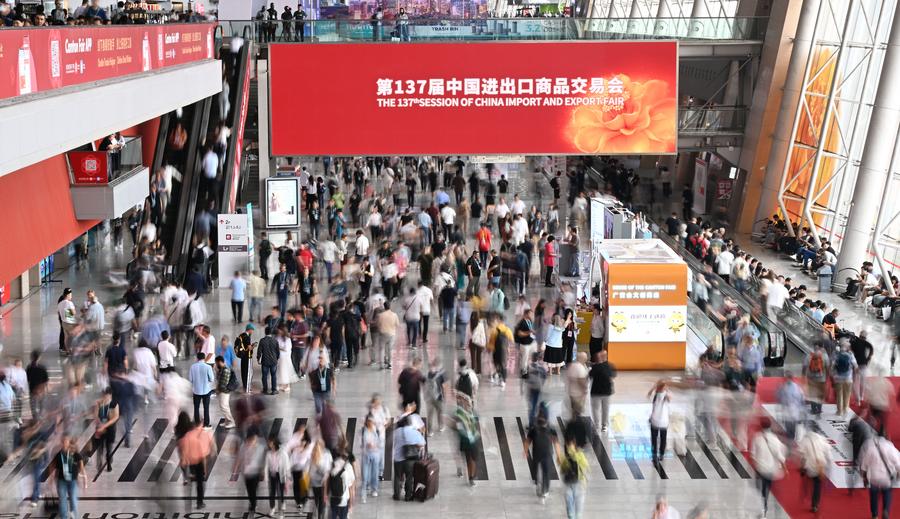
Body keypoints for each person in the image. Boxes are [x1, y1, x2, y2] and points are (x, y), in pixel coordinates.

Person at [750, 417, 786, 518]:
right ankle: (765, 505)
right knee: (767, 488)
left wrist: (756, 464)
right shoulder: (775, 439)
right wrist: (784, 468)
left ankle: (762, 507)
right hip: (771, 470)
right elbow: (780, 456)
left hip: (760, 468)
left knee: (759, 489)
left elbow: (752, 455)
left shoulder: (757, 437)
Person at [859, 430, 900, 519]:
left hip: (874, 477)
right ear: (886, 437)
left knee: (873, 495)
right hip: (886, 477)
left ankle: (874, 515)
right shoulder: (890, 447)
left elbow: (864, 465)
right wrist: (898, 474)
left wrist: (864, 478)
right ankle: (885, 510)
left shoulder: (871, 448)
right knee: (887, 493)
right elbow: (898, 463)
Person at [179, 420, 214, 509]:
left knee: (192, 483)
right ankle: (199, 502)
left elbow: (184, 450)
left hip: (190, 462)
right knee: (200, 484)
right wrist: (205, 469)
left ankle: (189, 504)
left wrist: (183, 460)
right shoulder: (199, 436)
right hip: (198, 462)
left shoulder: (187, 436)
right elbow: (202, 455)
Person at [392, 413, 426, 501]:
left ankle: (397, 495)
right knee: (409, 477)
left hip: (398, 458)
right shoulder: (414, 432)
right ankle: (408, 496)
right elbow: (422, 443)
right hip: (410, 459)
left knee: (397, 477)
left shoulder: (396, 432)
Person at [524, 413, 556, 503]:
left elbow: (527, 441)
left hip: (539, 454)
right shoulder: (548, 429)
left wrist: (525, 451)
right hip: (546, 454)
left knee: (542, 471)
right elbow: (556, 442)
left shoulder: (534, 429)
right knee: (545, 472)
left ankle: (543, 489)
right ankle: (543, 489)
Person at [797, 429, 830, 512]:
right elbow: (828, 454)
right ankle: (815, 505)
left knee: (808, 481)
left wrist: (802, 467)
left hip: (809, 467)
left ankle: (805, 494)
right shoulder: (822, 439)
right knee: (817, 486)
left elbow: (802, 456)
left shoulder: (804, 440)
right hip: (820, 466)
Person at [54, 434, 87, 519]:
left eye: (66, 441)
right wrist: (53, 480)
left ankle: (74, 516)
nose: (64, 443)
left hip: (73, 480)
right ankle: (64, 517)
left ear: (69, 442)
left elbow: (82, 468)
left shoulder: (75, 454)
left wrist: (84, 481)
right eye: (63, 441)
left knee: (73, 498)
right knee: (62, 499)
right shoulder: (58, 455)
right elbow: (56, 469)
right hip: (61, 480)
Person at [557, 437, 589, 519]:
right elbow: (586, 466)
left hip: (570, 482)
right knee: (577, 506)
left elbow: (562, 469)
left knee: (570, 503)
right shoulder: (580, 454)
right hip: (579, 482)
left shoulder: (566, 457)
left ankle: (572, 516)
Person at [235, 430, 266, 513]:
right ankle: (252, 501)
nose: (254, 441)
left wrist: (262, 471)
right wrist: (236, 470)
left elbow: (262, 460)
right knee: (249, 489)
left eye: (255, 439)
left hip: (256, 472)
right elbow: (239, 458)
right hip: (246, 472)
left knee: (254, 489)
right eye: (252, 439)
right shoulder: (243, 447)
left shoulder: (260, 448)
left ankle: (253, 504)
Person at [92, 388, 120, 473]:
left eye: (107, 395)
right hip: (100, 428)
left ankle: (109, 463)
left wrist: (105, 425)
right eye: (104, 395)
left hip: (110, 429)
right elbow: (95, 415)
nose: (105, 397)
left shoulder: (114, 404)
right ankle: (99, 464)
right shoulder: (99, 403)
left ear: (110, 395)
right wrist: (99, 423)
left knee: (109, 447)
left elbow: (115, 417)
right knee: (99, 447)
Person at [589, 350, 616, 433]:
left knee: (596, 409)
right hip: (607, 392)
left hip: (596, 392)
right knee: (605, 409)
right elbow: (613, 376)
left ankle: (597, 425)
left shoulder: (595, 367)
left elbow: (590, 375)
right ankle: (604, 426)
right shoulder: (610, 365)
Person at [265, 436, 290, 515]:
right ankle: (272, 508)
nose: (269, 444)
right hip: (272, 475)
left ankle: (282, 503)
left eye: (270, 442)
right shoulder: (268, 453)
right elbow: (266, 466)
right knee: (272, 493)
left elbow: (287, 465)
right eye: (269, 442)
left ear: (274, 443)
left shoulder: (282, 453)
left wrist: (287, 477)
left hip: (281, 474)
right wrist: (266, 477)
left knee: (281, 492)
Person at [327, 448, 356, 519]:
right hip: (343, 500)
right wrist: (351, 505)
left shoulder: (333, 465)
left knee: (333, 515)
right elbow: (351, 488)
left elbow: (328, 482)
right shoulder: (348, 467)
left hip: (333, 498)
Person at [648, 380, 671, 466]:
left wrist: (653, 388)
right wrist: (666, 390)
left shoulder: (656, 396)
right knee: (663, 438)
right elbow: (670, 398)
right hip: (663, 422)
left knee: (654, 439)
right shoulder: (665, 395)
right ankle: (661, 454)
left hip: (655, 421)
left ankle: (654, 454)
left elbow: (648, 395)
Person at [832, 340, 858, 417]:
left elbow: (832, 365)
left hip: (838, 378)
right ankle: (845, 409)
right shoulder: (850, 354)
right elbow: (855, 366)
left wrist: (833, 374)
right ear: (847, 347)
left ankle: (839, 411)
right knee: (847, 394)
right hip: (848, 378)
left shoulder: (835, 354)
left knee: (839, 394)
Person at [189, 352, 215, 428]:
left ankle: (197, 423)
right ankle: (206, 424)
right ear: (204, 358)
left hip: (196, 391)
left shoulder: (192, 367)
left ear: (197, 358)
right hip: (206, 391)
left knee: (196, 408)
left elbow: (190, 379)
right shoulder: (208, 367)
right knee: (206, 408)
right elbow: (212, 379)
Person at [309, 440, 333, 519]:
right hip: (322, 484)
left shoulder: (312, 457)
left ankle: (319, 512)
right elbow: (327, 473)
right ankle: (320, 515)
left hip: (315, 484)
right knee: (322, 501)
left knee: (318, 499)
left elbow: (309, 472)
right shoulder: (326, 455)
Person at [360, 414, 382, 502]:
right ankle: (363, 494)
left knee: (374, 473)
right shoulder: (363, 431)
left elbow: (380, 443)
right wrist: (365, 446)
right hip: (366, 455)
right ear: (366, 421)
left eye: (372, 421)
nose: (371, 423)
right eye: (369, 421)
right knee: (365, 475)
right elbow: (360, 443)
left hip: (375, 455)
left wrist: (374, 445)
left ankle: (374, 489)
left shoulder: (376, 430)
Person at [802, 342, 829, 415]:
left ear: (814, 347)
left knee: (812, 394)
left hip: (811, 379)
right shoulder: (824, 356)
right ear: (821, 347)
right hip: (822, 379)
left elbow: (804, 366)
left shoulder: (809, 356)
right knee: (820, 394)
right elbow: (827, 367)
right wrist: (827, 377)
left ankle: (814, 410)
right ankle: (819, 409)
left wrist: (803, 375)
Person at [214, 356, 237, 428]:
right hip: (222, 391)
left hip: (225, 391)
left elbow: (224, 383)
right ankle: (227, 421)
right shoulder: (221, 369)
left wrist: (218, 390)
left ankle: (231, 421)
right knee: (223, 406)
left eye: (217, 363)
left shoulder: (226, 370)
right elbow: (219, 379)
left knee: (224, 407)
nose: (216, 364)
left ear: (220, 362)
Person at [425, 357, 446, 434]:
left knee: (430, 414)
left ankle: (430, 431)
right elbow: (443, 386)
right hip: (438, 397)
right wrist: (444, 396)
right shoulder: (440, 375)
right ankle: (441, 426)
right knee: (440, 412)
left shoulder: (427, 375)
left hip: (429, 398)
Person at [257, 327, 281, 395]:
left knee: (264, 375)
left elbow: (259, 351)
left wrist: (258, 358)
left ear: (265, 332)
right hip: (273, 361)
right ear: (271, 332)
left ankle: (265, 389)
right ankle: (274, 390)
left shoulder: (262, 340)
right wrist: (277, 358)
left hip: (265, 361)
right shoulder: (275, 340)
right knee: (273, 375)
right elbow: (278, 351)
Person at [235, 324, 257, 392]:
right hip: (248, 357)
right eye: (252, 330)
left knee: (244, 372)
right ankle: (247, 389)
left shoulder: (241, 335)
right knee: (248, 373)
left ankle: (245, 386)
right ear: (249, 329)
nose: (252, 331)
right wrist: (254, 346)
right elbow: (249, 348)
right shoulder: (247, 337)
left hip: (243, 357)